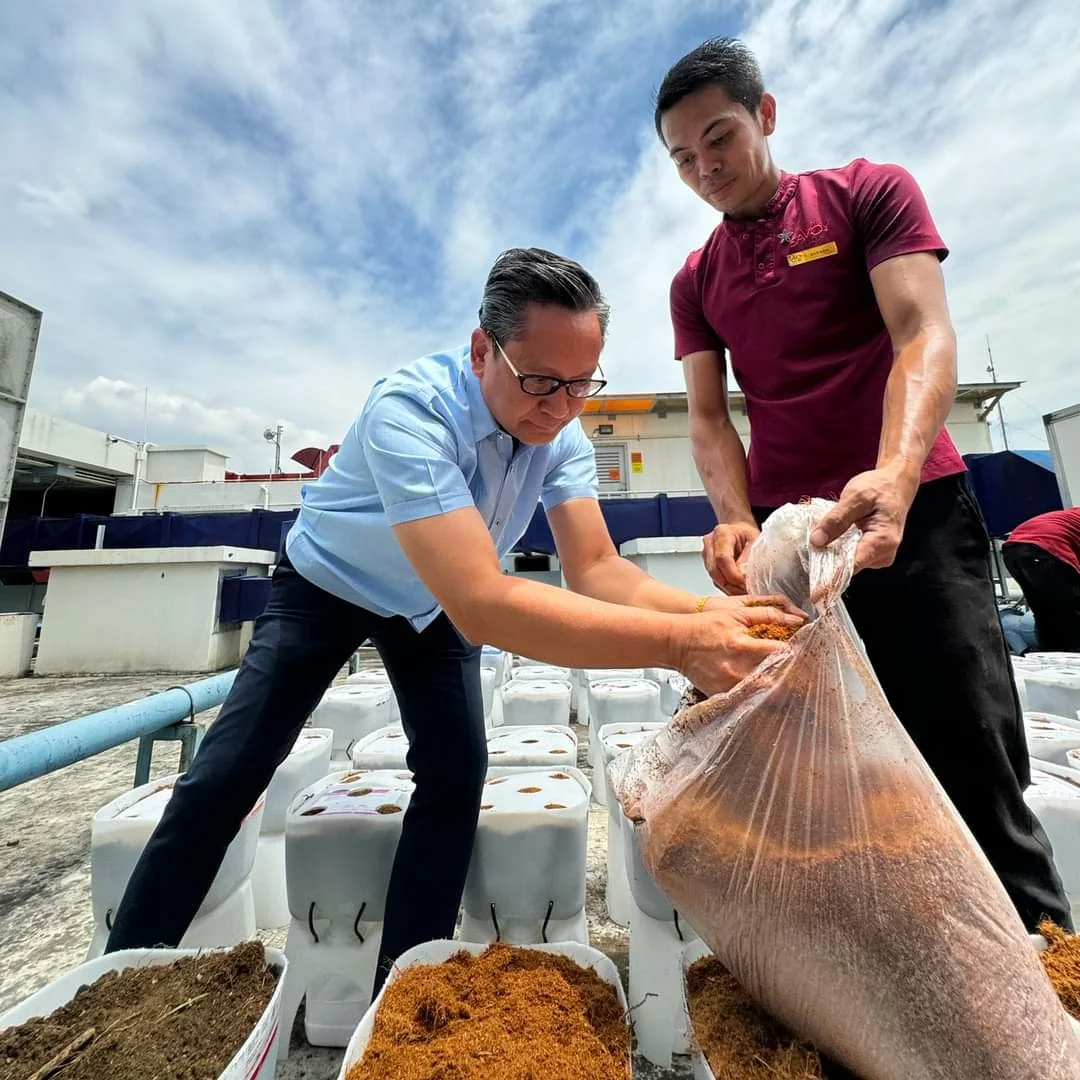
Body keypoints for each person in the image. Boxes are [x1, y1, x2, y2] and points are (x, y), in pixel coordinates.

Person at [104, 246, 803, 990]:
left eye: (579, 386)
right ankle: (117, 983)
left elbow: (598, 568)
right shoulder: (409, 409)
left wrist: (716, 611)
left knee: (456, 773)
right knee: (230, 774)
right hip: (328, 586)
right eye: (540, 382)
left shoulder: (561, 433)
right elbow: (481, 599)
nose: (561, 408)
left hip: (429, 606)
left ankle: (404, 982)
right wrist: (679, 642)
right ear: (481, 350)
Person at [653, 38, 1071, 930]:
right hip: (797, 554)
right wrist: (733, 518)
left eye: (719, 137)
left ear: (766, 116)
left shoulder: (868, 193)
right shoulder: (696, 280)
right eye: (683, 157)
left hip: (910, 519)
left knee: (971, 755)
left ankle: (1049, 985)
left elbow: (922, 332)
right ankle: (886, 980)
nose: (705, 168)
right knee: (825, 776)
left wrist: (894, 475)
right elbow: (706, 415)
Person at [1003, 508, 1080, 652]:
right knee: (1072, 610)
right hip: (1045, 546)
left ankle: (1054, 659)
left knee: (1044, 611)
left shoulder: (1071, 516)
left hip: (1014, 548)